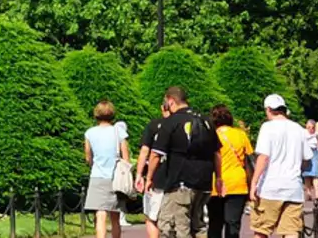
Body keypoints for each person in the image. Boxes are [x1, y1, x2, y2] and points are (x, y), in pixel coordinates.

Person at [148, 86, 217, 238]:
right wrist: (218, 178)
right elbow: (217, 153)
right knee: (198, 225)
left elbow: (155, 154)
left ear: (171, 101)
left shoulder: (171, 122)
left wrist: (149, 178)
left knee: (174, 226)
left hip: (180, 183)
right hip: (203, 183)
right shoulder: (206, 121)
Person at [248, 94, 314, 238]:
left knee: (261, 230)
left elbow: (263, 157)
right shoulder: (298, 129)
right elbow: (307, 158)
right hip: (293, 188)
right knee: (291, 230)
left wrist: (253, 183)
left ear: (269, 109)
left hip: (270, 187)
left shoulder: (267, 127)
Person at [83, 101, 131, 238]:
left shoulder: (89, 133)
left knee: (100, 214)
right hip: (116, 177)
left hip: (98, 176)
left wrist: (94, 164)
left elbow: (88, 156)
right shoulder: (119, 132)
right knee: (115, 217)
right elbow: (125, 156)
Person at [205, 104, 252, 238]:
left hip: (215, 184)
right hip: (238, 183)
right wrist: (251, 185)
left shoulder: (211, 135)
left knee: (215, 224)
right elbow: (248, 162)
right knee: (233, 223)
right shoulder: (240, 134)